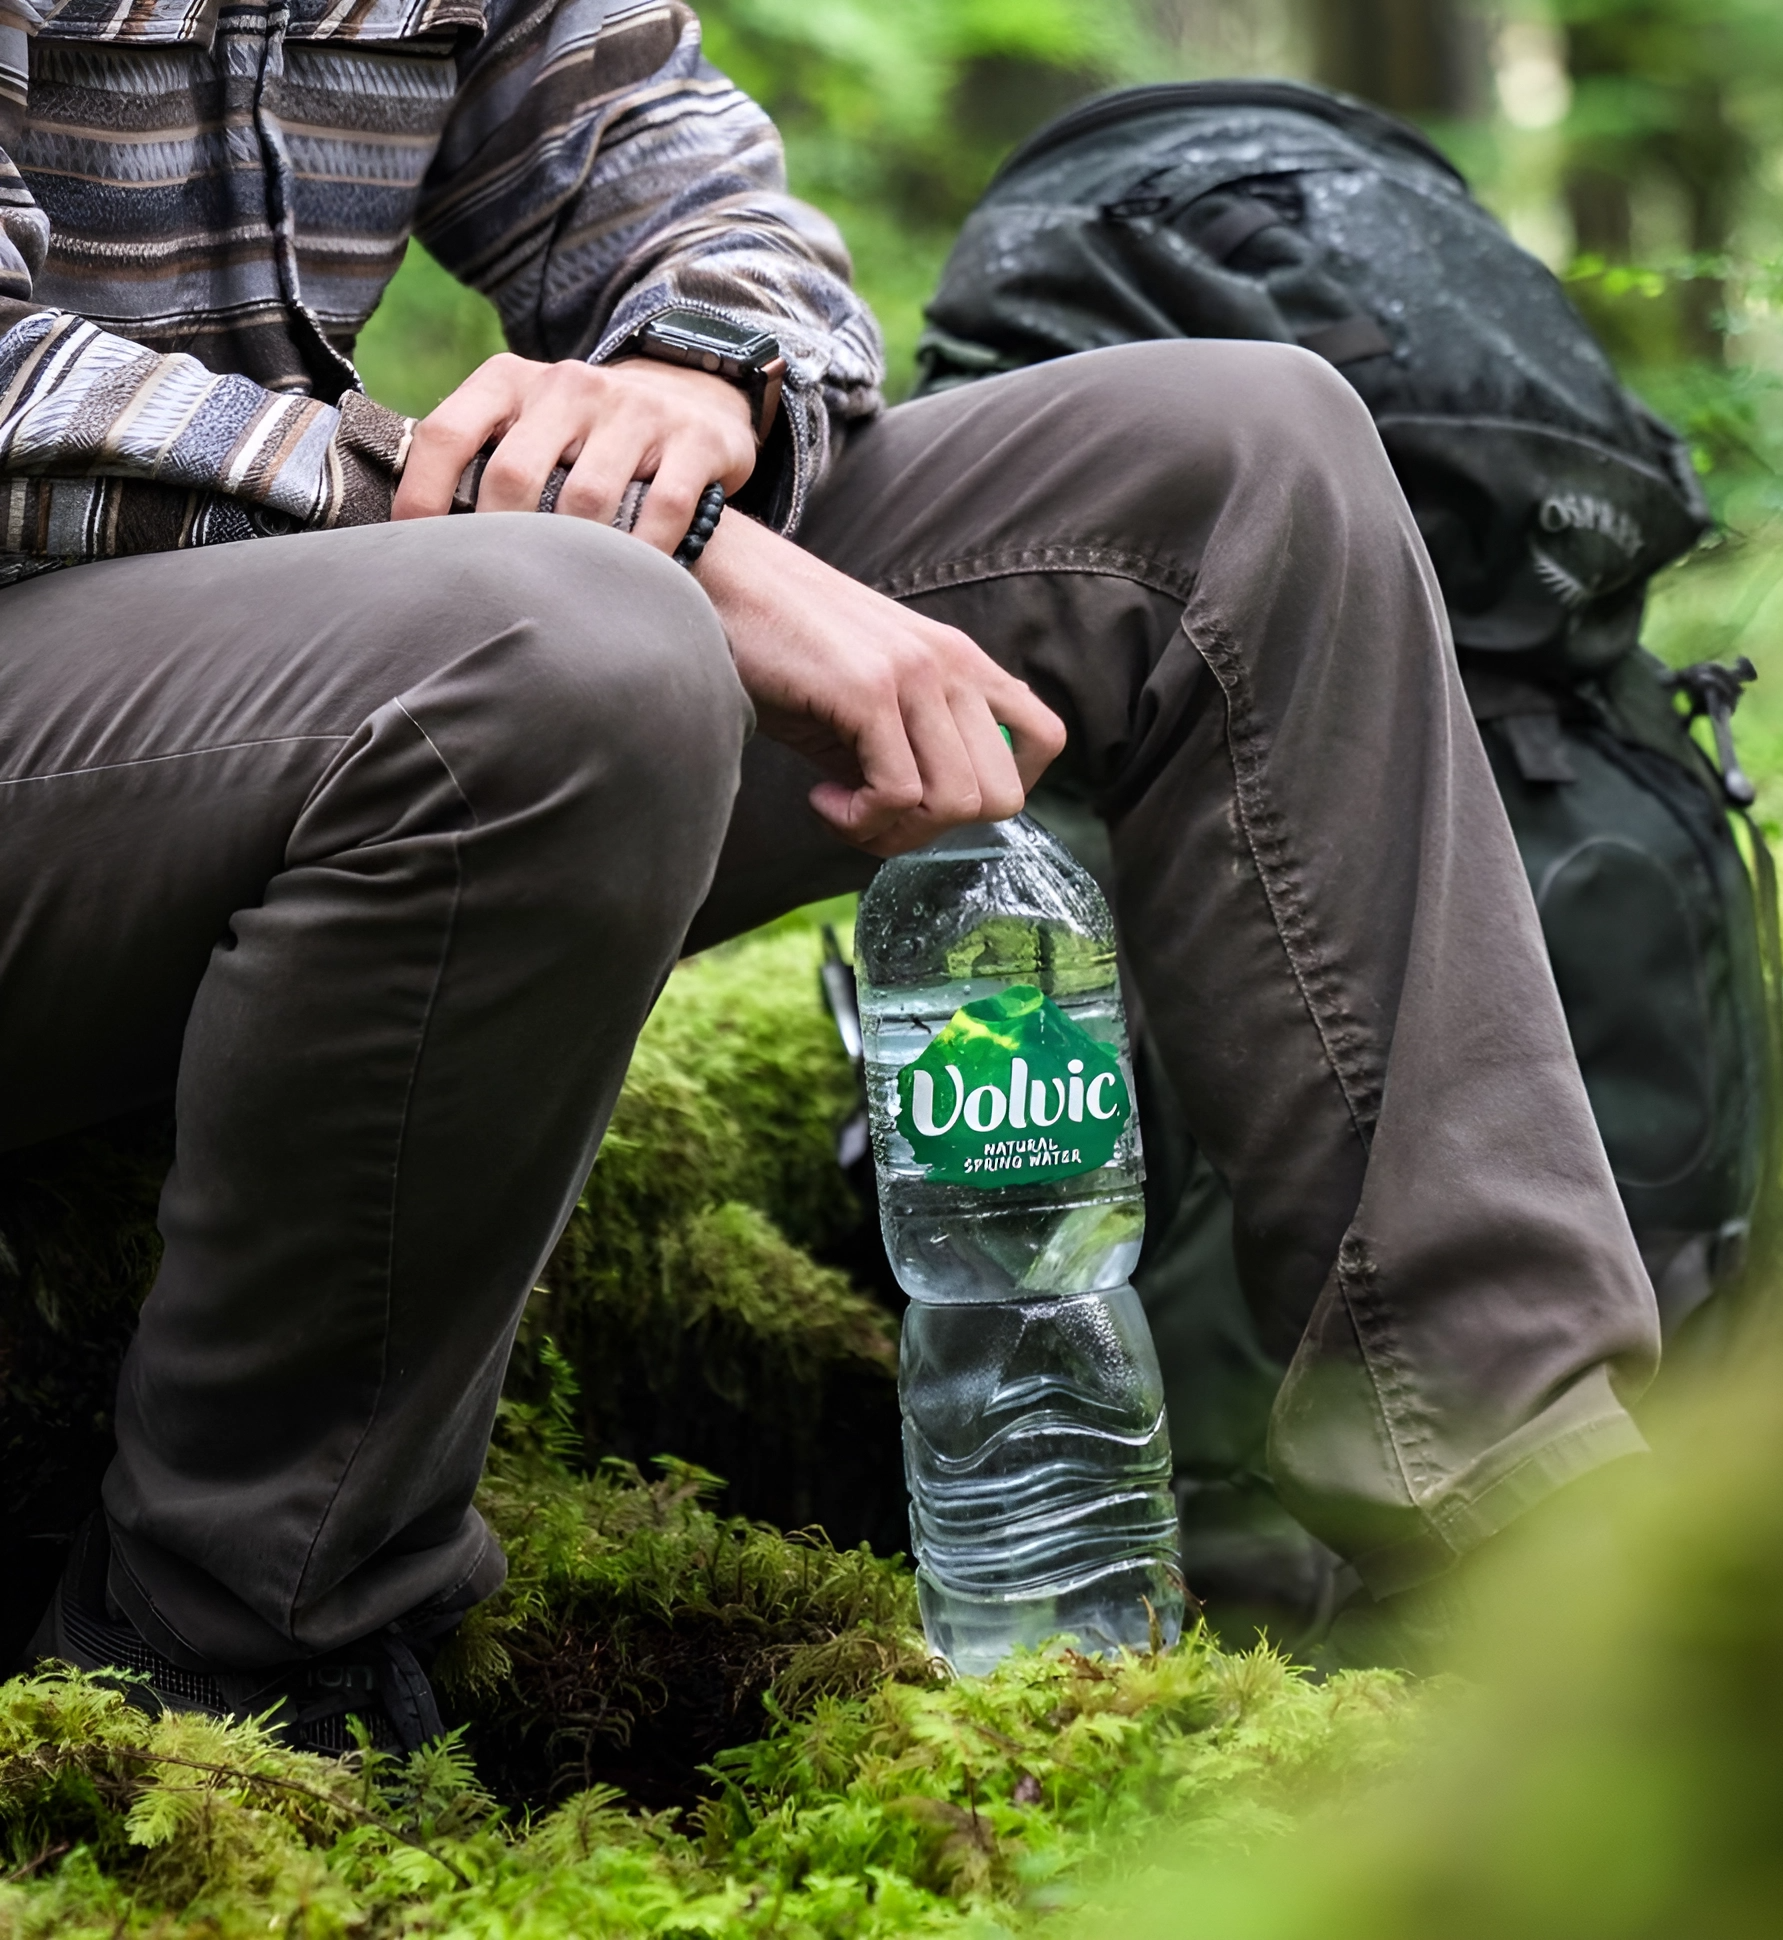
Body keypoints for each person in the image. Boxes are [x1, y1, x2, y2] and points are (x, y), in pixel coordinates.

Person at [1, 0, 1658, 1747]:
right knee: (579, 640)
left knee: (1236, 469)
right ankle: (224, 1668)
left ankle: (1540, 1527)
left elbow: (700, 197)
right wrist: (649, 549)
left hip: (324, 683)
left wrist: (689, 379)